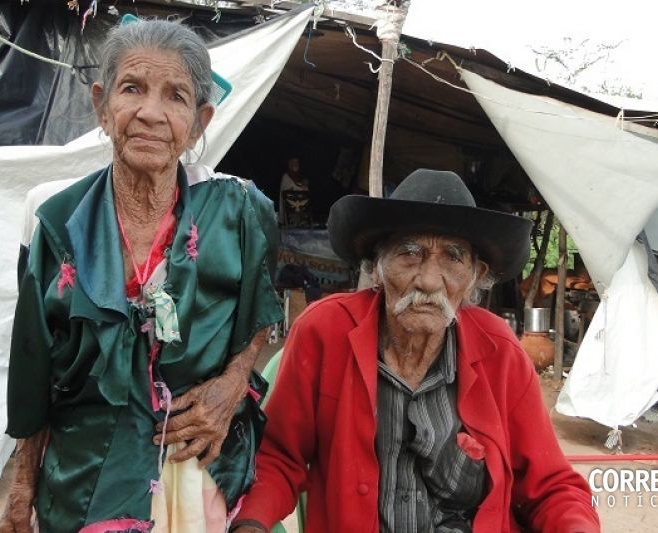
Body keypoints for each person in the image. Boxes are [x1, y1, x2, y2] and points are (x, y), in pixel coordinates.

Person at [0, 18, 282, 533]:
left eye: (175, 96)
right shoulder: (56, 219)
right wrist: (22, 486)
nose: (150, 113)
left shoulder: (240, 209)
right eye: (133, 89)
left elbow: (261, 313)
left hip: (197, 474)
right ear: (101, 106)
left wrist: (234, 382)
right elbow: (33, 364)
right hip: (86, 479)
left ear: (199, 122)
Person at [231, 169, 600, 532]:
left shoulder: (500, 352)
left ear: (475, 276)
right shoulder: (325, 332)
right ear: (377, 267)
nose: (427, 280)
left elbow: (552, 487)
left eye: (453, 257)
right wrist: (250, 524)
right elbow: (278, 457)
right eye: (410, 253)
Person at [278, 157, 309, 225]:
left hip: (299, 202)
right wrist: (300, 188)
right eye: (294, 163)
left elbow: (300, 187)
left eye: (297, 163)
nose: (295, 164)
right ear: (290, 164)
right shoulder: (286, 176)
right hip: (290, 202)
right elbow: (288, 189)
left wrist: (304, 186)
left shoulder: (299, 176)